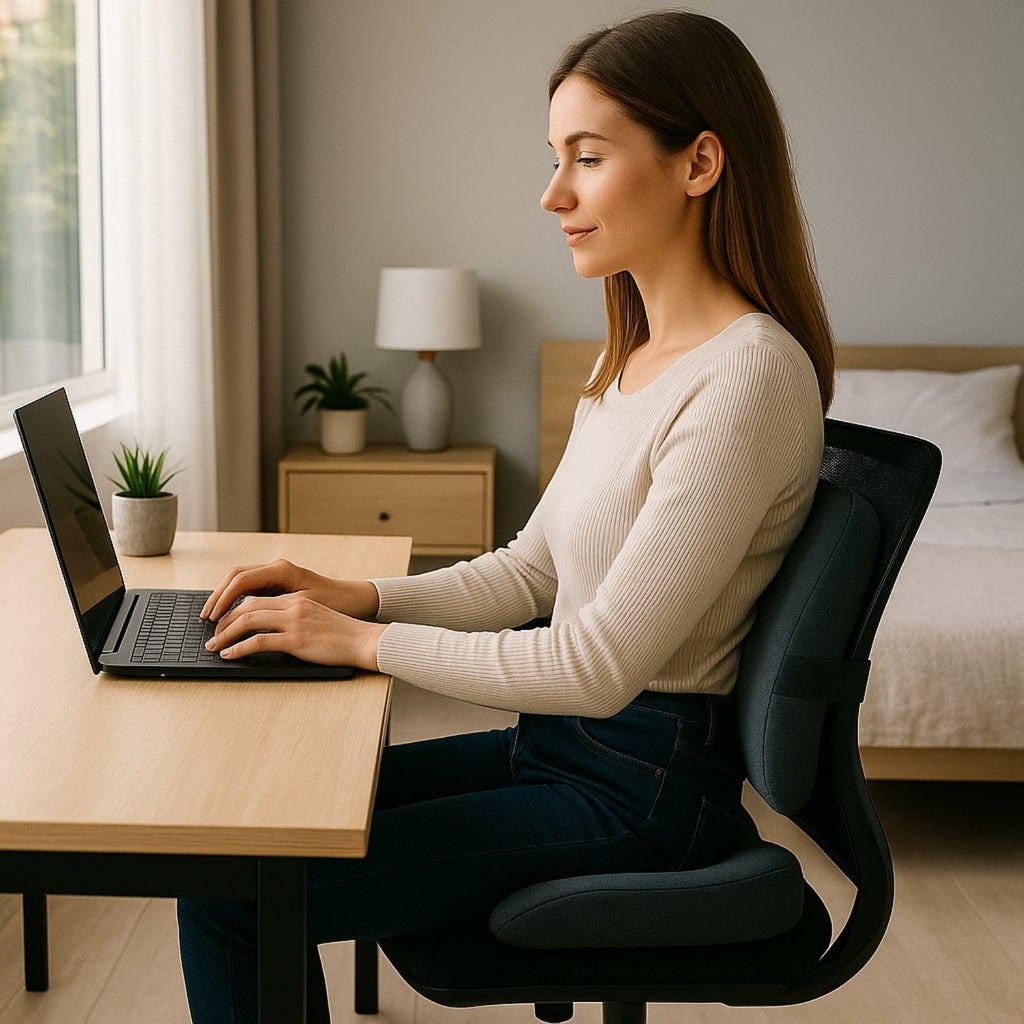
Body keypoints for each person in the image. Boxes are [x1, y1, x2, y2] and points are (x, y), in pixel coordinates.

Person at [177, 10, 834, 1021]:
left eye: (587, 157)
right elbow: (531, 571)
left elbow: (596, 663)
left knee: (233, 895)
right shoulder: (629, 359)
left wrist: (356, 641)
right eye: (553, 157)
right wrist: (346, 592)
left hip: (640, 790)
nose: (552, 194)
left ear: (698, 162)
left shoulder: (749, 375)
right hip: (564, 748)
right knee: (239, 835)